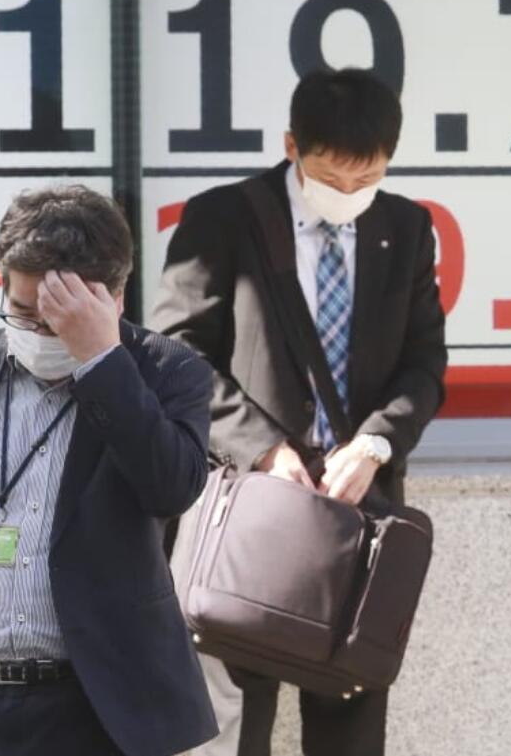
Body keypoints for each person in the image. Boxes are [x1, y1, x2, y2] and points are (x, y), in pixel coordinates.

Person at [152, 68, 447, 755]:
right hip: (248, 503)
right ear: (292, 146)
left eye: (365, 177)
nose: (348, 194)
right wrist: (262, 447)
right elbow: (175, 351)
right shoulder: (224, 217)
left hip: (358, 509)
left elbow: (424, 363)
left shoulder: (406, 227)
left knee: (349, 712)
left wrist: (375, 444)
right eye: (330, 177)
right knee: (230, 709)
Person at [0, 185, 219, 756]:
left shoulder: (167, 371)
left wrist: (101, 361)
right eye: (23, 312)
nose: (39, 334)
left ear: (114, 296)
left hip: (91, 709)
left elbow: (171, 487)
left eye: (59, 318)